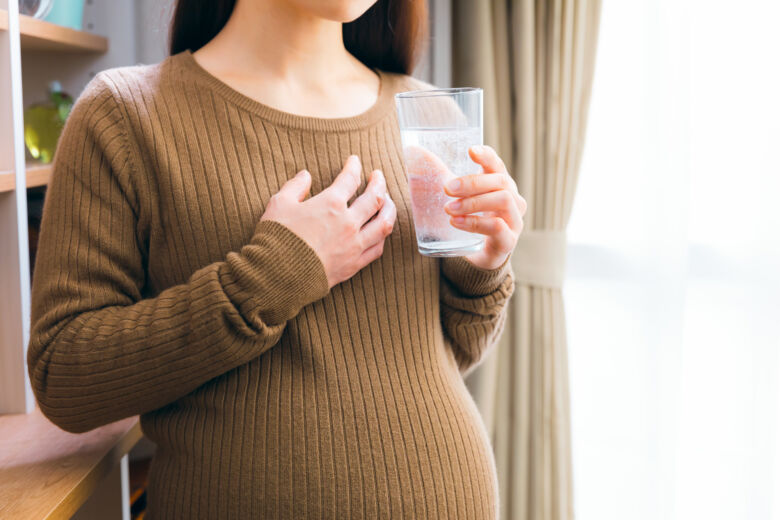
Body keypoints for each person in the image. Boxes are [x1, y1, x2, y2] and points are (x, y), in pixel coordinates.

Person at [26, 0, 527, 517]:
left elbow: (448, 354)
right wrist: (270, 278)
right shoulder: (125, 115)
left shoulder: (433, 115)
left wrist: (483, 269)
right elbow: (64, 377)